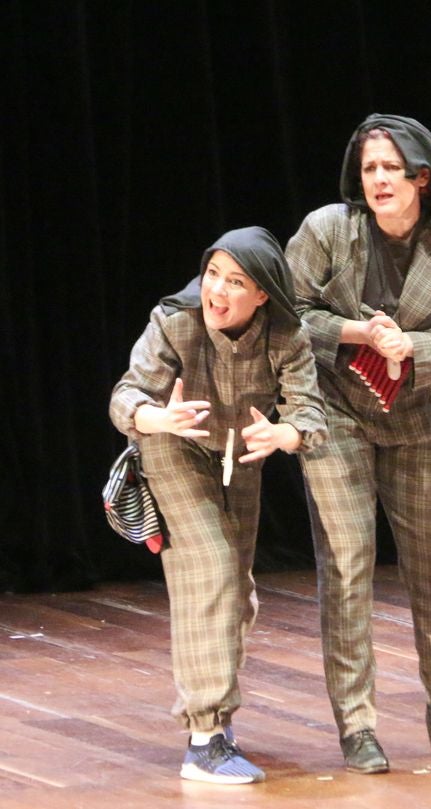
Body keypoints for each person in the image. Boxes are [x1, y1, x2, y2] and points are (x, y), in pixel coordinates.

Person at [285, 114, 431, 774]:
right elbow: (287, 315)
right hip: (336, 412)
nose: (376, 179)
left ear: (421, 179)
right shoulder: (327, 230)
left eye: (390, 169)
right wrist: (355, 333)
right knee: (348, 561)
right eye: (368, 168)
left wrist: (416, 348)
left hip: (412, 417)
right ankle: (357, 722)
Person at [109, 227, 328, 784]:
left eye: (236, 281)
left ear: (262, 296)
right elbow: (126, 395)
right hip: (172, 451)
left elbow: (311, 416)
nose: (217, 291)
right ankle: (204, 739)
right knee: (210, 569)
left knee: (236, 588)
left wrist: (287, 435)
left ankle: (216, 720)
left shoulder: (286, 334)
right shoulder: (176, 320)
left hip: (239, 460)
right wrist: (155, 418)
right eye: (213, 274)